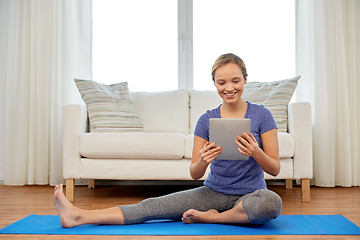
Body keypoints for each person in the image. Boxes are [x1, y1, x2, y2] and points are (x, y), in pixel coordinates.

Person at [54, 53, 282, 228]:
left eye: (235, 81)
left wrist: (256, 152)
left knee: (270, 203)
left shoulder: (262, 115)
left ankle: (215, 219)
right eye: (222, 83)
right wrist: (204, 160)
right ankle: (77, 215)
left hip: (251, 195)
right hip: (212, 192)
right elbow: (194, 173)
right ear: (215, 84)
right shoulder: (207, 119)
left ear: (245, 80)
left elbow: (274, 169)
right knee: (151, 205)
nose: (229, 88)